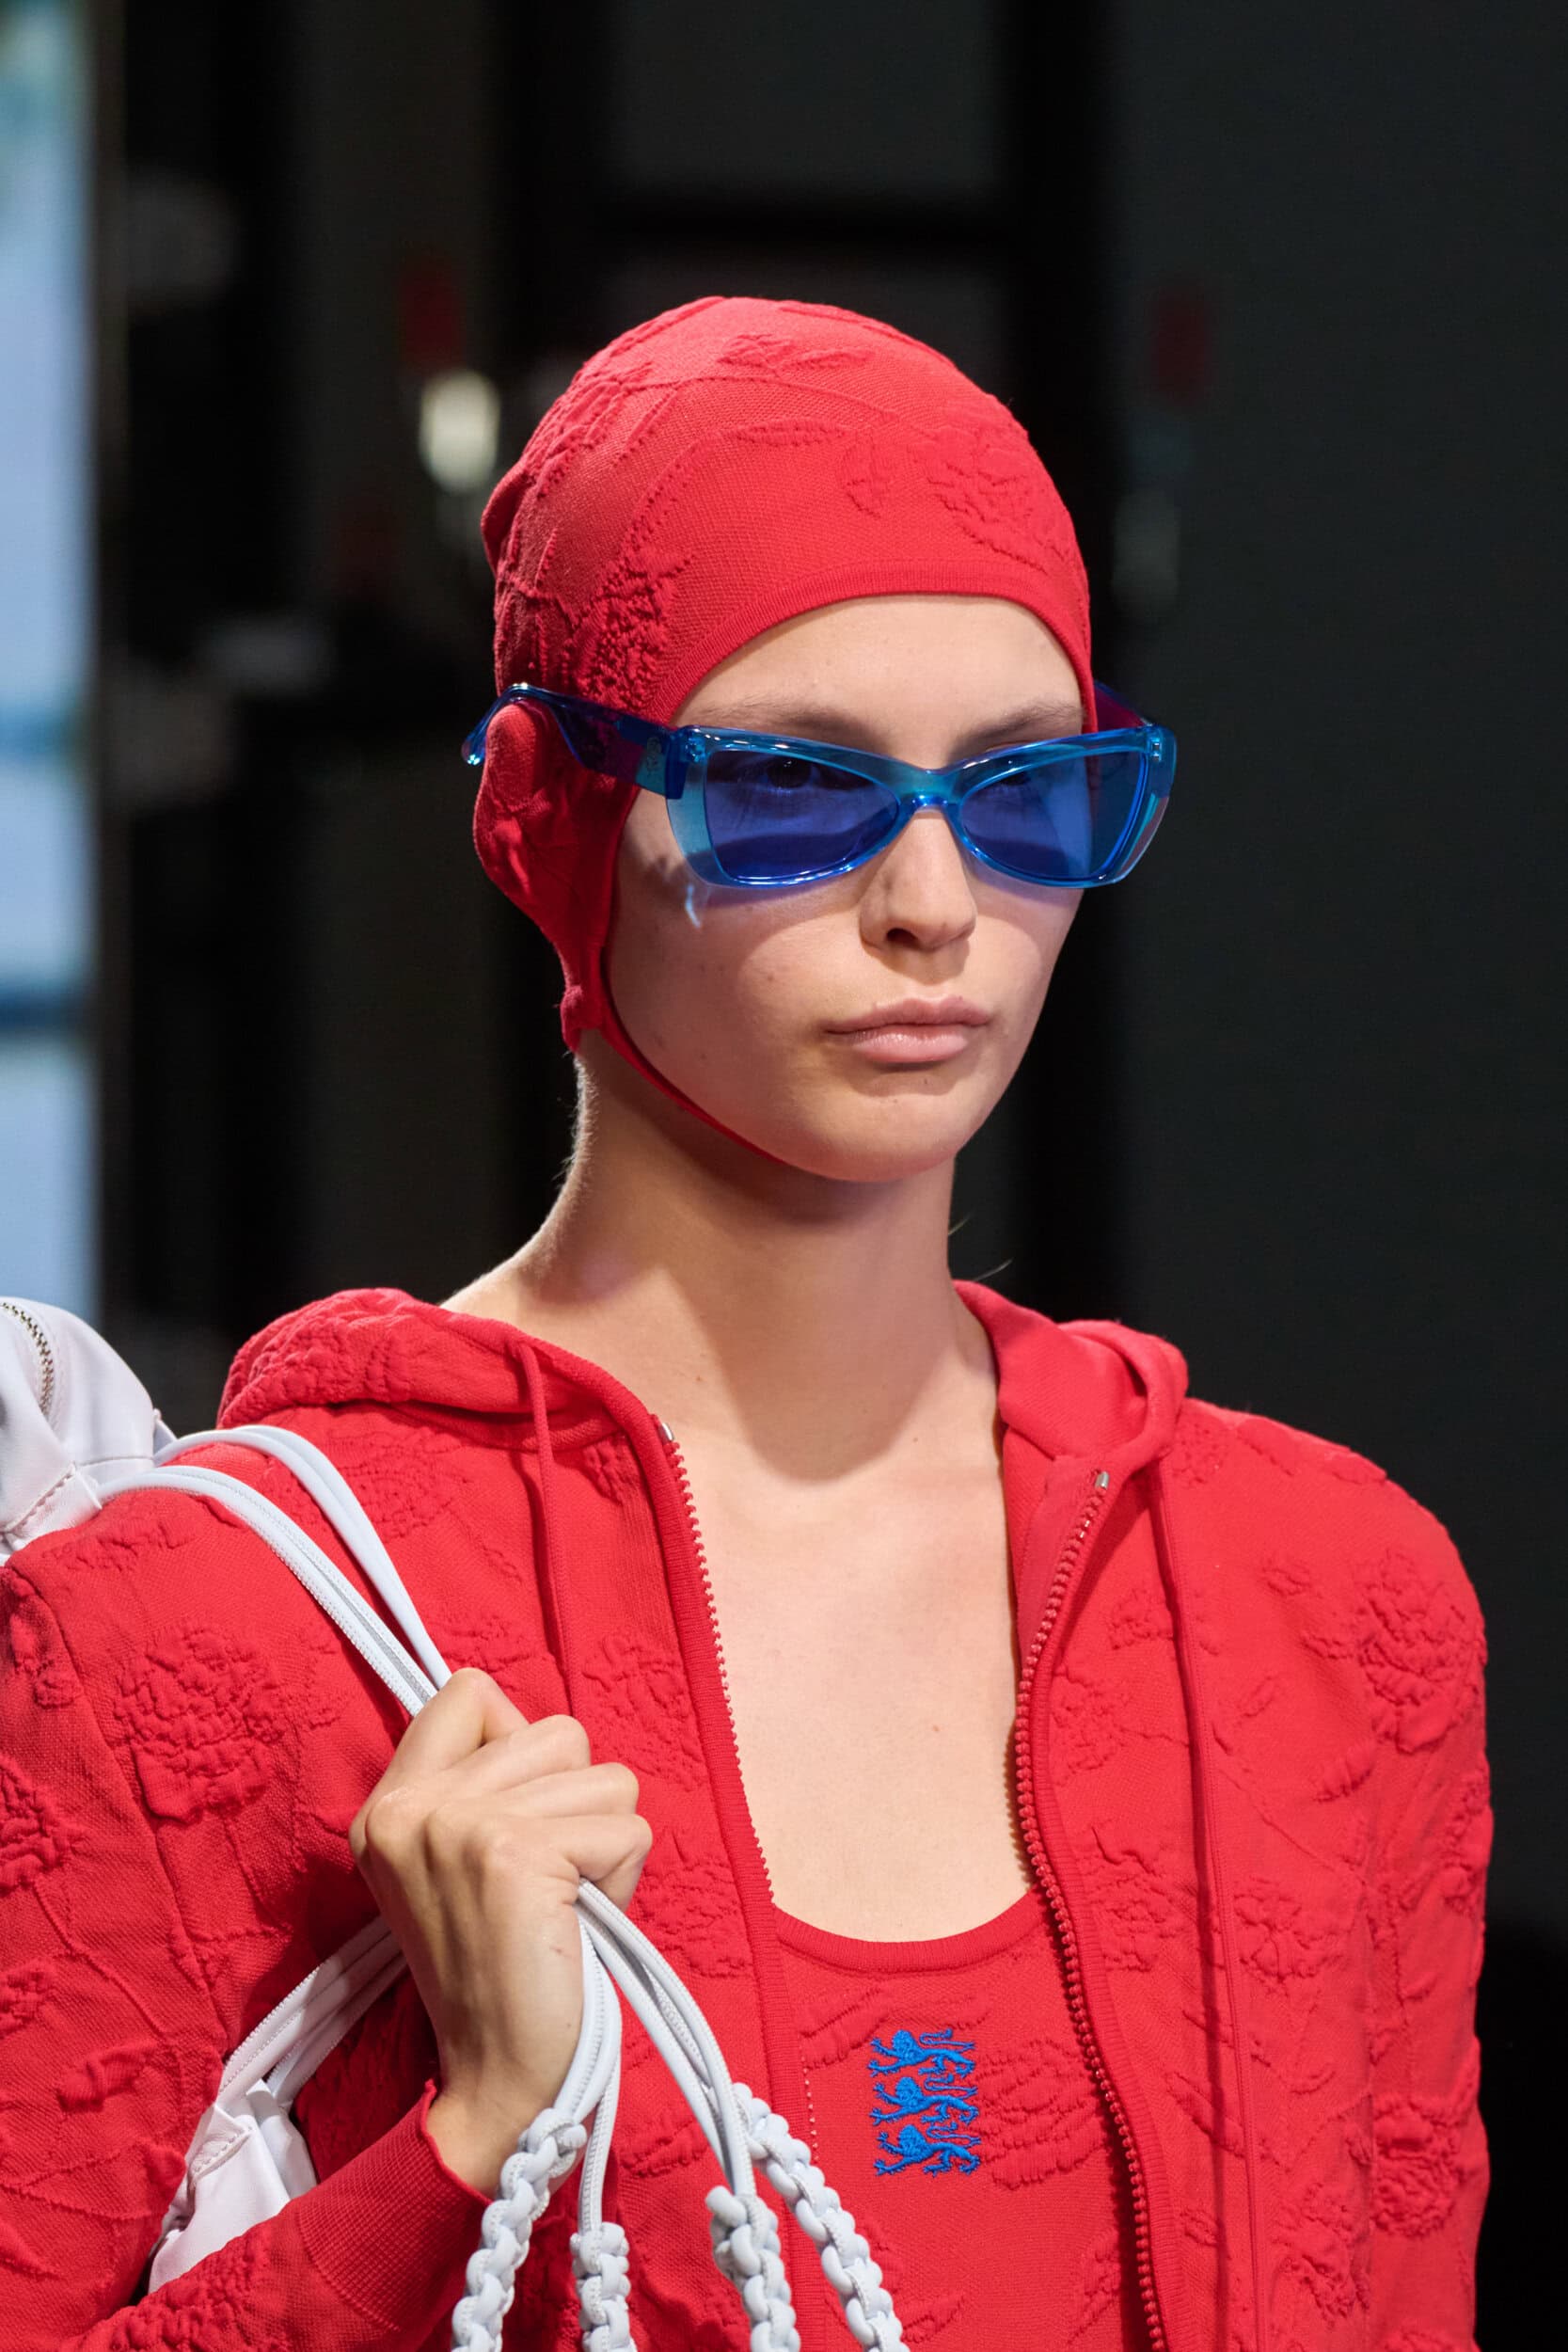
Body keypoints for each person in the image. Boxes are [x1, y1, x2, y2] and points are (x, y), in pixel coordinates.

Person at [0, 297, 1488, 2352]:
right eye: (793, 786)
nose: (936, 902)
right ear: (549, 810)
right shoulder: (197, 1633)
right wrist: (469, 2146)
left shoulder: (1323, 1604)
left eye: (1027, 789)